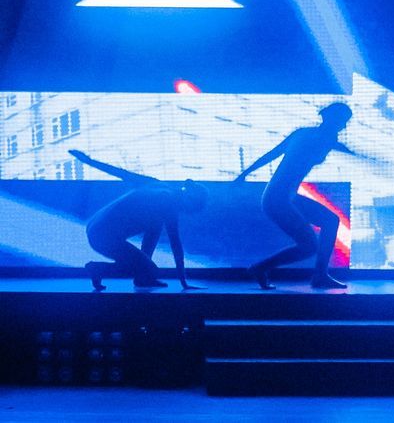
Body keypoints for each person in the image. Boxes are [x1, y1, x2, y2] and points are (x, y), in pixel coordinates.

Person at [236, 102, 359, 290]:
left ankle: (319, 275)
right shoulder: (323, 138)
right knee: (309, 246)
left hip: (285, 196)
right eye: (342, 121)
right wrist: (245, 173)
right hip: (278, 199)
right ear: (332, 119)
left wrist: (245, 174)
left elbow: (273, 154)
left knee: (330, 221)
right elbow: (274, 154)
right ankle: (261, 268)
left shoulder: (305, 134)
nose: (343, 126)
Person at [70, 150, 206, 292]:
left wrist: (89, 161)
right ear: (189, 200)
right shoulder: (169, 203)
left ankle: (143, 277)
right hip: (102, 237)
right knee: (151, 269)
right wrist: (184, 283)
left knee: (155, 226)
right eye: (191, 209)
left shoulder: (156, 184)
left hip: (95, 228)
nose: (186, 213)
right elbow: (176, 245)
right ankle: (99, 268)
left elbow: (121, 173)